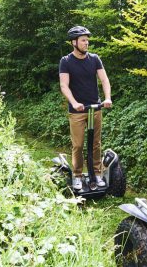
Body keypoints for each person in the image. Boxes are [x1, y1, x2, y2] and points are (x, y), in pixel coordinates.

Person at [59, 26, 112, 190]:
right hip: (78, 111)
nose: (86, 42)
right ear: (74, 42)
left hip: (95, 108)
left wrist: (107, 98)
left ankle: (96, 173)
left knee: (96, 144)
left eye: (87, 39)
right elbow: (64, 85)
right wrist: (74, 102)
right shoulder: (66, 61)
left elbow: (104, 80)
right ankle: (77, 175)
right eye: (83, 40)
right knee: (79, 145)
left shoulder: (95, 59)